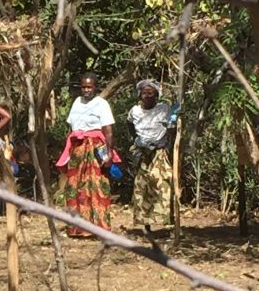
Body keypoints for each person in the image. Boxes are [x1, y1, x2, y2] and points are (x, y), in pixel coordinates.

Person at [55, 73, 119, 237]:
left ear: (95, 88)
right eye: (83, 87)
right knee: (75, 187)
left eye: (89, 87)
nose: (86, 90)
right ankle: (77, 228)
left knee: (96, 186)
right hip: (77, 149)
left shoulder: (102, 104)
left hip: (95, 149)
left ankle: (100, 227)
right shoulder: (77, 102)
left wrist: (109, 154)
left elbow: (108, 131)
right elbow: (71, 128)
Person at [127, 79, 177, 234]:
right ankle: (145, 225)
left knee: (163, 185)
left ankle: (166, 223)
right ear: (139, 95)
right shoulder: (134, 111)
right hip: (142, 153)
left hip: (159, 153)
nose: (147, 96)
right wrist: (136, 141)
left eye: (151, 93)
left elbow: (172, 127)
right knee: (142, 187)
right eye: (144, 93)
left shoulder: (164, 109)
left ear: (157, 95)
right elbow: (129, 125)